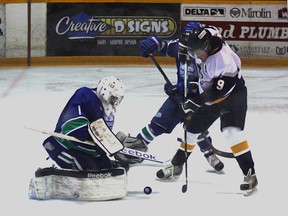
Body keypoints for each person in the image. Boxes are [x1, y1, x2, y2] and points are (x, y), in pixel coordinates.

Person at [157, 25, 258, 196]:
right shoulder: (208, 36)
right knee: (191, 128)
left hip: (233, 97)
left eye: (198, 53)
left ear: (207, 47)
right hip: (211, 94)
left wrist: (194, 103)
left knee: (231, 132)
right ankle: (177, 165)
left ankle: (250, 174)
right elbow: (209, 29)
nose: (197, 56)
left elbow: (217, 95)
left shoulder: (224, 62)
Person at [114, 22, 224, 176]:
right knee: (157, 124)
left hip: (197, 98)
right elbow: (164, 46)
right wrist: (153, 43)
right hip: (178, 97)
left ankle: (209, 153)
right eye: (185, 38)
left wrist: (183, 88)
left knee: (196, 128)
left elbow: (205, 82)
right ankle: (136, 147)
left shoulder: (206, 54)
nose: (187, 43)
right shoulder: (180, 46)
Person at [42, 76, 128, 171]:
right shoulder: (85, 95)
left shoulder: (109, 112)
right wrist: (98, 147)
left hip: (83, 148)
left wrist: (112, 145)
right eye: (113, 97)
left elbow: (102, 138)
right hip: (62, 145)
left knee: (108, 167)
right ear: (104, 91)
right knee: (89, 167)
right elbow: (74, 132)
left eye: (117, 99)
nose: (115, 102)